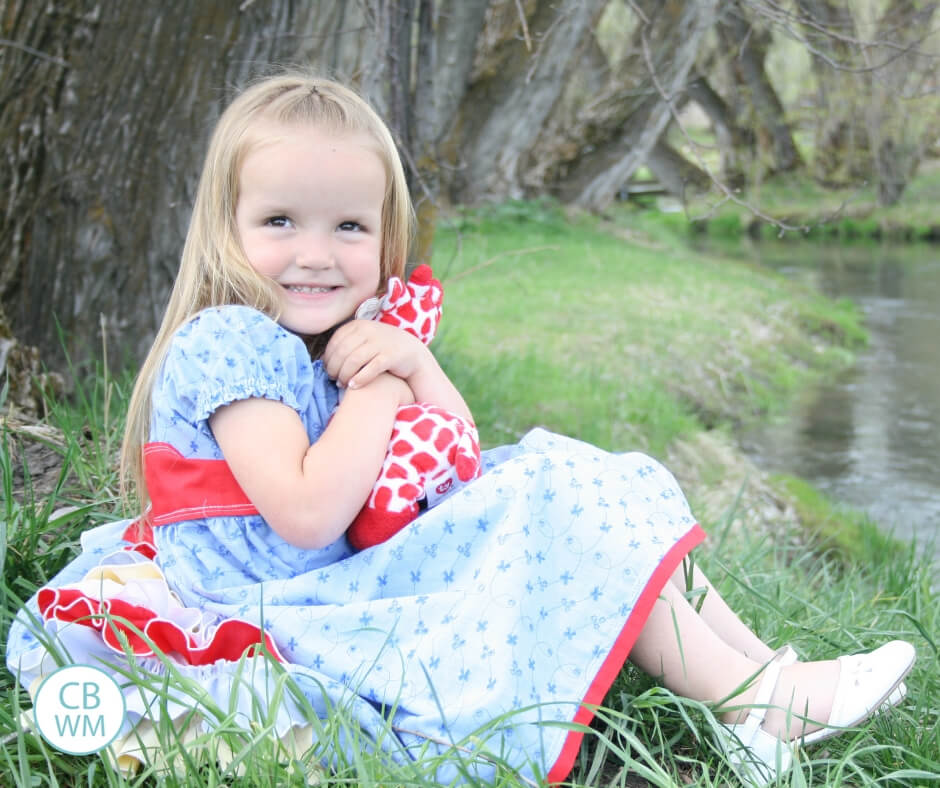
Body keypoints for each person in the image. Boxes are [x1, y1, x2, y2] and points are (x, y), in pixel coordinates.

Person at [5, 71, 915, 786]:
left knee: (570, 472)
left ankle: (764, 685)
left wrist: (409, 360)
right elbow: (308, 513)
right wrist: (375, 391)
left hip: (343, 569)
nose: (316, 253)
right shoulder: (229, 344)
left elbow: (461, 452)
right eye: (280, 221)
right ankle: (761, 703)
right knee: (550, 498)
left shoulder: (327, 337)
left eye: (349, 226)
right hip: (283, 597)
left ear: (386, 236)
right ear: (226, 229)